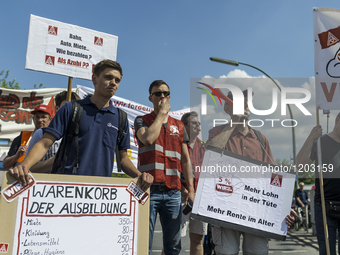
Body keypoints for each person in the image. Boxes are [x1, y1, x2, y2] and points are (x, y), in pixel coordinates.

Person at [9, 59, 153, 191]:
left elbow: (123, 159)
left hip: (101, 192)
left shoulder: (121, 117)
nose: (113, 82)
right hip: (66, 188)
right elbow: (45, 143)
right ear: (94, 78)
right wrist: (25, 165)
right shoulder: (71, 108)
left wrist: (140, 175)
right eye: (108, 77)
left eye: (117, 80)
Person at [207, 90, 295, 255]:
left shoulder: (261, 139)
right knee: (227, 252)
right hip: (225, 210)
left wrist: (284, 208)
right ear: (227, 108)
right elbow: (210, 156)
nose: (246, 106)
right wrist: (234, 123)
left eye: (248, 103)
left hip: (255, 212)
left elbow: (274, 181)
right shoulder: (216, 133)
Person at [134, 80, 195, 255]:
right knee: (143, 242)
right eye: (158, 93)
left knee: (173, 246)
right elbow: (148, 139)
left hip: (173, 192)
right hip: (147, 190)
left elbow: (185, 160)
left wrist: (190, 189)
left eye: (165, 93)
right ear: (150, 97)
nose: (162, 96)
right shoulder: (142, 120)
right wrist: (161, 114)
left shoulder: (179, 125)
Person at [296, 115, 340, 255]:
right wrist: (311, 138)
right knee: (327, 251)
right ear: (337, 120)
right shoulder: (321, 142)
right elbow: (301, 166)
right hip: (325, 207)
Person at [26, 91, 81, 173]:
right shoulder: (41, 133)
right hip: (48, 184)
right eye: (66, 107)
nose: (70, 111)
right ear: (57, 109)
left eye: (74, 107)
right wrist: (57, 159)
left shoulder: (84, 135)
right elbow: (28, 168)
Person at [180, 111, 208, 255]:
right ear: (184, 126)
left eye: (199, 123)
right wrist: (183, 191)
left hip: (200, 199)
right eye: (194, 123)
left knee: (198, 239)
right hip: (181, 197)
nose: (198, 125)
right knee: (174, 239)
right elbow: (171, 171)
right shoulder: (177, 145)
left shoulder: (205, 147)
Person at [3, 104, 52, 169]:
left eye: (43, 117)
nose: (40, 120)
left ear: (50, 120)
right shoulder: (22, 137)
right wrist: (16, 156)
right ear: (33, 119)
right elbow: (5, 164)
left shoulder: (56, 139)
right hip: (21, 177)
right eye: (37, 117)